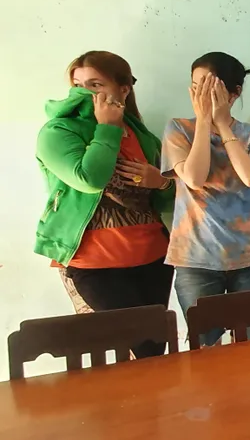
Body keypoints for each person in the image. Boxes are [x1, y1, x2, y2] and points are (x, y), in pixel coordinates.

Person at [36, 51, 174, 358]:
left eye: (96, 84)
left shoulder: (143, 136)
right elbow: (90, 179)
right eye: (78, 84)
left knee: (153, 351)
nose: (85, 93)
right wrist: (108, 127)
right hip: (92, 264)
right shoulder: (58, 131)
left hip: (152, 257)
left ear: (123, 89)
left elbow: (165, 201)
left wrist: (162, 182)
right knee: (125, 350)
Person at [161, 52, 250, 347]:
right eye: (196, 86)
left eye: (210, 87)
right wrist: (203, 122)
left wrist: (222, 125)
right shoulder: (178, 129)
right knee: (205, 347)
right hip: (195, 259)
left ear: (234, 93)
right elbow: (194, 178)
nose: (201, 95)